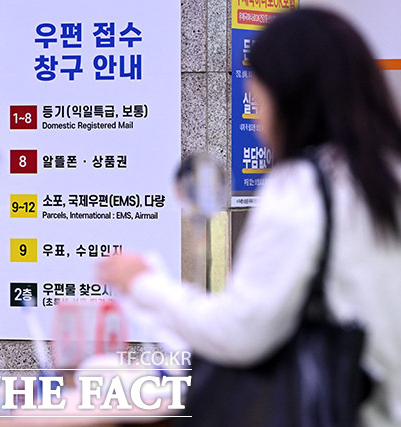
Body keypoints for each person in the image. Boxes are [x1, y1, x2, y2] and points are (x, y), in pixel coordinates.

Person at [97, 9, 401, 426]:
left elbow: (240, 332)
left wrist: (143, 283)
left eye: (258, 103)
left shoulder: (303, 188)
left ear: (291, 99)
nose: (258, 124)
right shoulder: (386, 172)